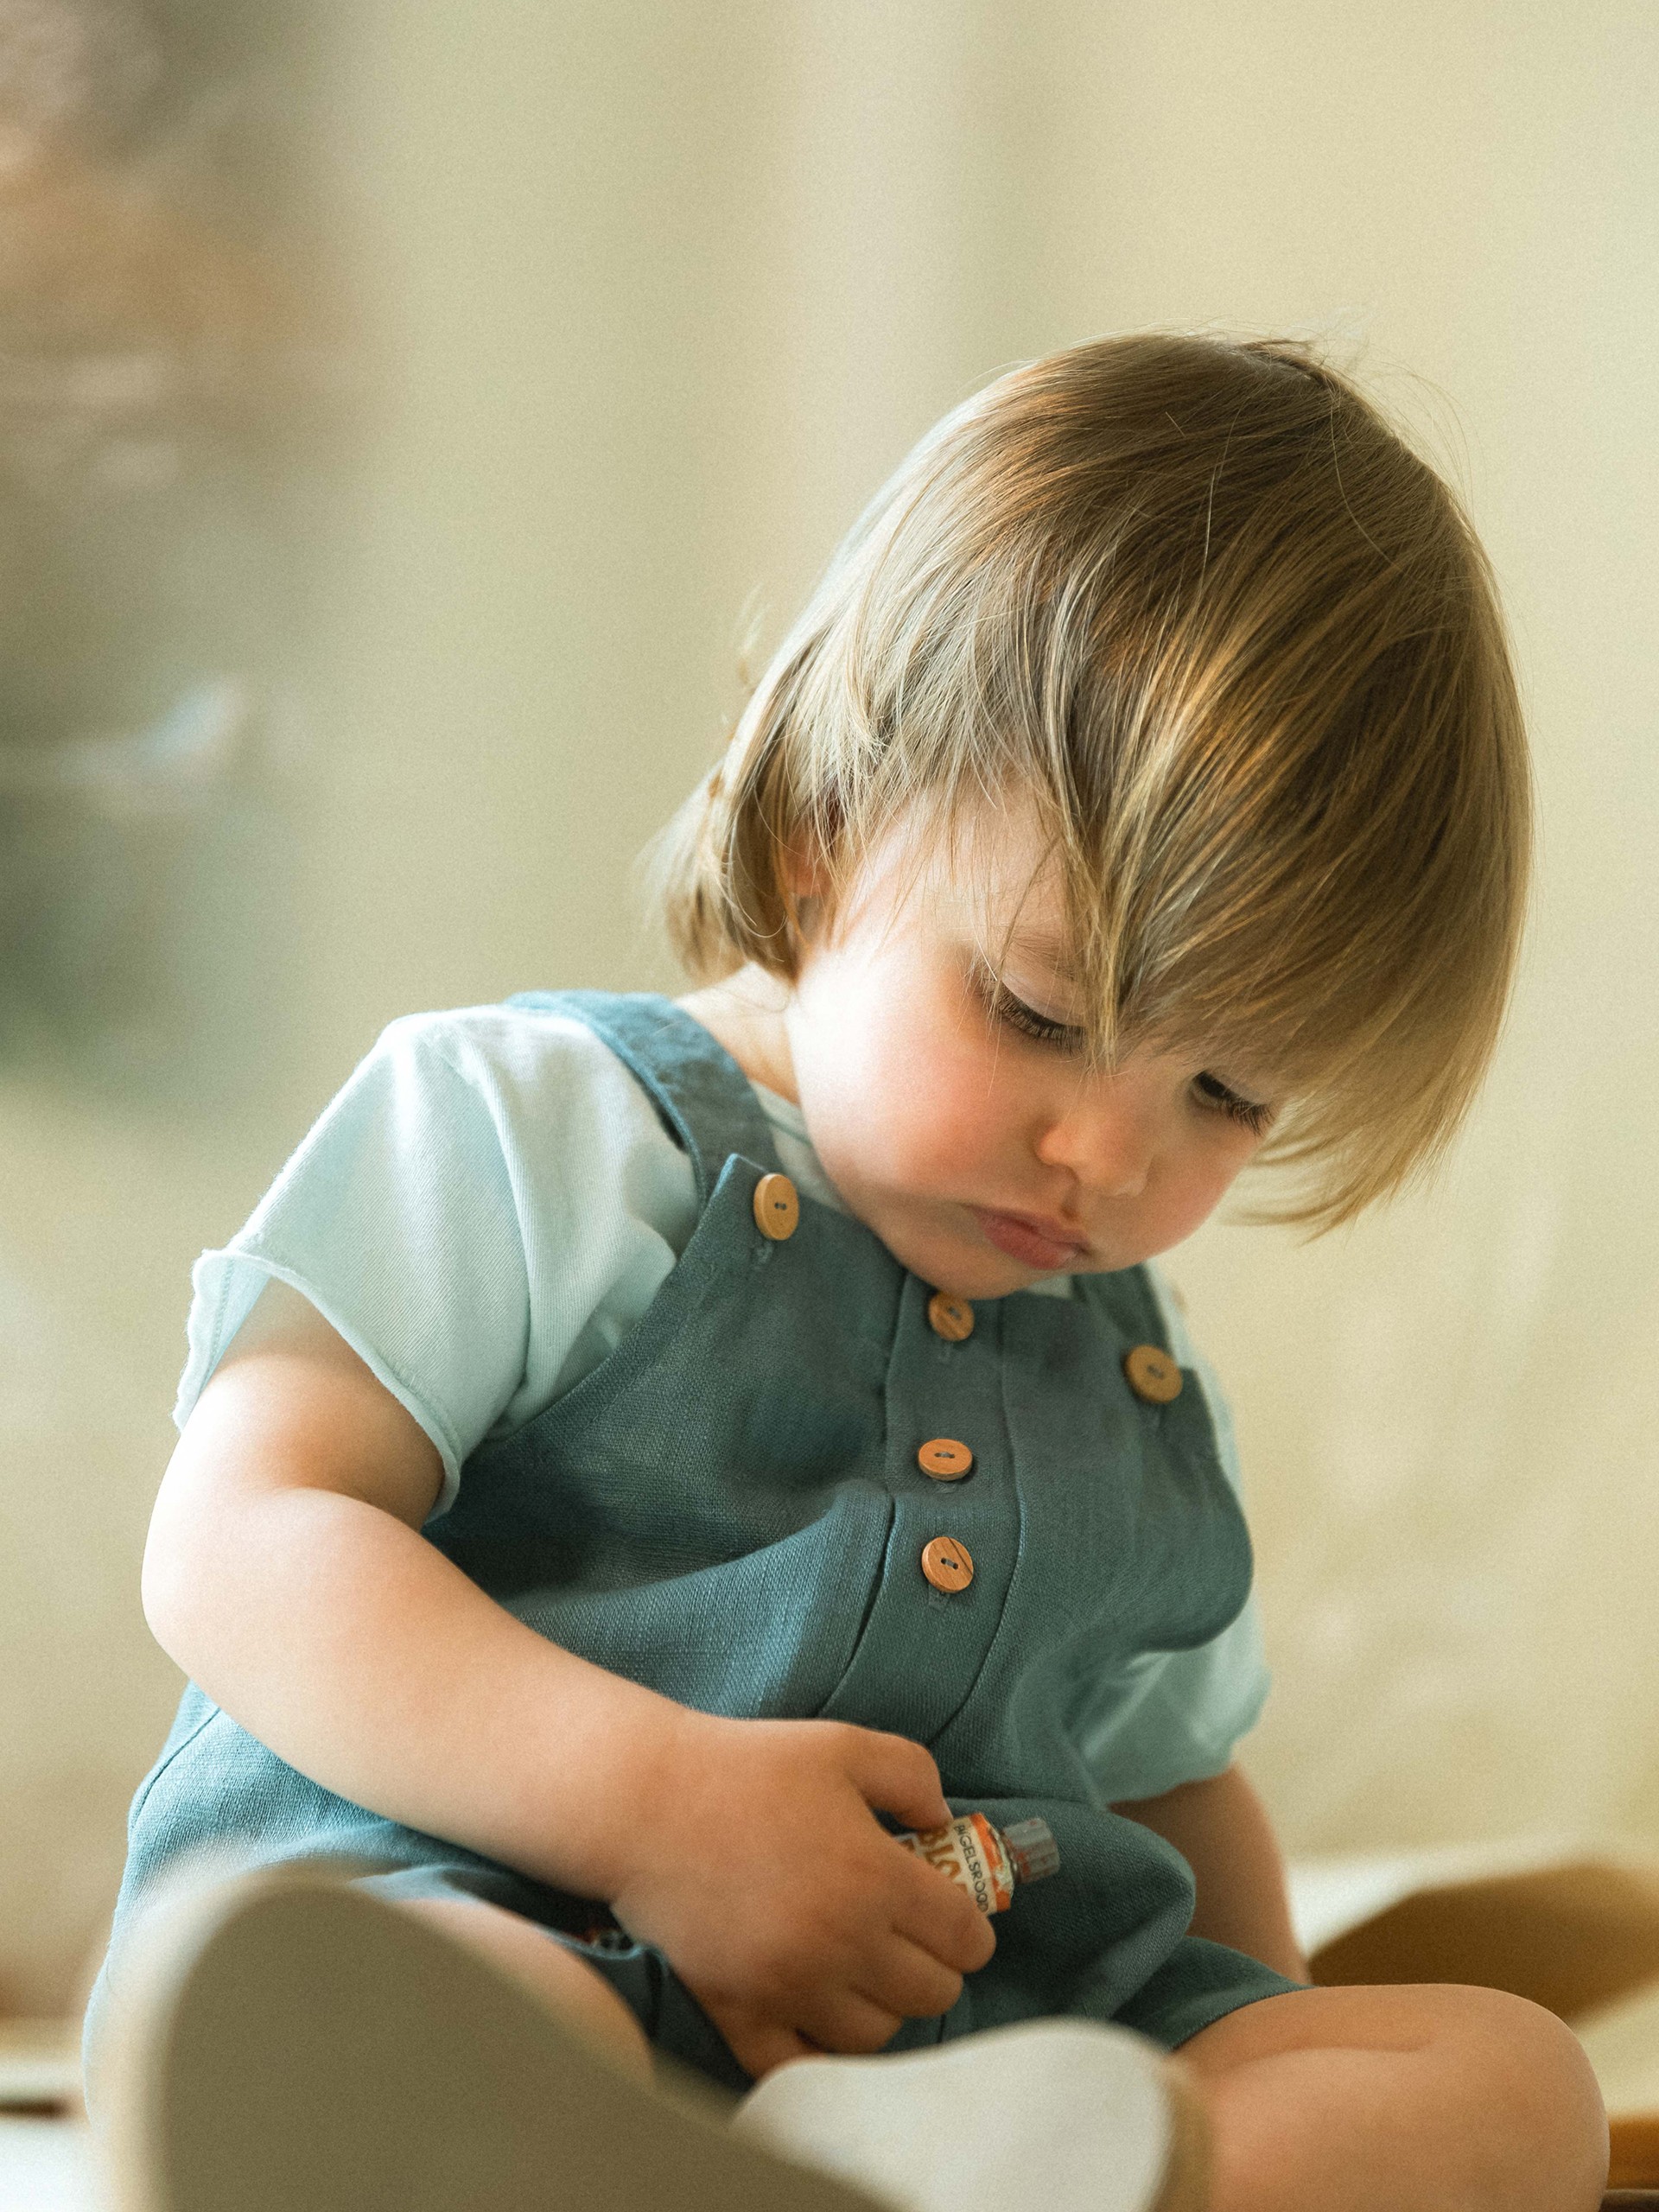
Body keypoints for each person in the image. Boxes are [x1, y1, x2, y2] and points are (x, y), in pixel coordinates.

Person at [87, 334, 1607, 2212]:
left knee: (1504, 2082)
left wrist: (1244, 2059)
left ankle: (964, 2179)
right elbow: (238, 1537)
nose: (1110, 1158)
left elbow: (1174, 1794)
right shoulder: (545, 1131)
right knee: (415, 2015)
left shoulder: (1133, 1375)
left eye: (1226, 1095)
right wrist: (651, 1809)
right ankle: (641, 2152)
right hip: (500, 1928)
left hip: (970, 2048)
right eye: (1038, 1009)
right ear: (823, 842)